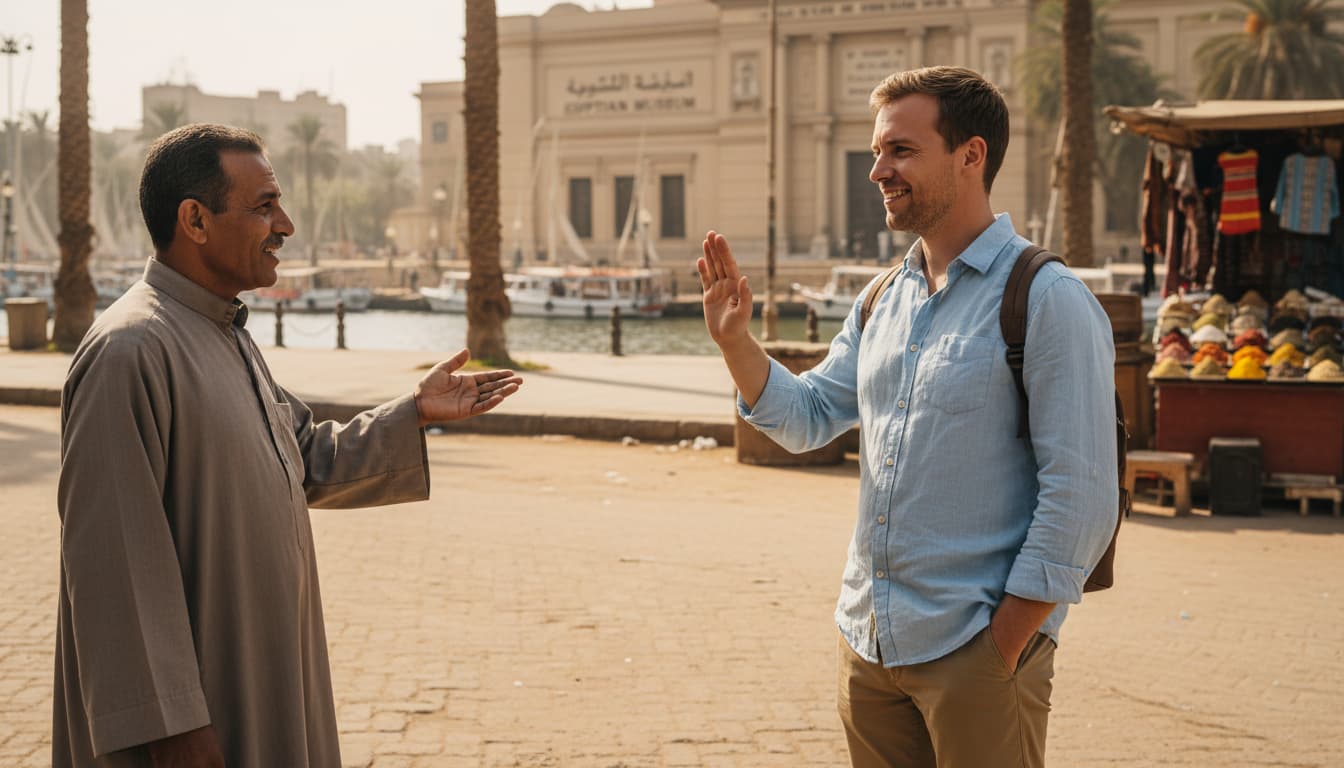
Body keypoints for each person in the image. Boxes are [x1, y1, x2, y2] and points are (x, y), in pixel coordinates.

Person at [52, 123, 522, 767]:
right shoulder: (130, 352)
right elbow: (113, 563)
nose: (286, 225)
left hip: (262, 681)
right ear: (195, 220)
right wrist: (173, 728)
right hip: (193, 722)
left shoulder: (224, 333)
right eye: (264, 206)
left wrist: (413, 412)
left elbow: (300, 454)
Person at [697, 67, 1117, 768]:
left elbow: (1083, 496)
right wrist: (736, 344)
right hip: (869, 646)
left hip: (976, 651)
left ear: (971, 155)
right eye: (876, 152)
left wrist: (1001, 646)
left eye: (901, 151)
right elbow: (807, 417)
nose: (878, 171)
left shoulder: (1047, 299)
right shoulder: (882, 299)